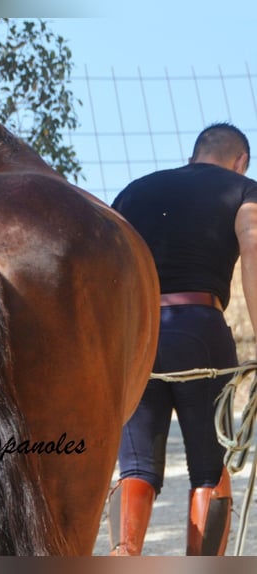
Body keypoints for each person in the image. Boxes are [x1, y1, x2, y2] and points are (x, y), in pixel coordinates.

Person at [107, 122, 257, 556]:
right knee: (210, 470)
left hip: (138, 337)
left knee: (135, 467)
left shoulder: (136, 191)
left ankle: (123, 554)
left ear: (194, 154)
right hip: (201, 330)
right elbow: (253, 250)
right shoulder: (244, 190)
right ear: (240, 160)